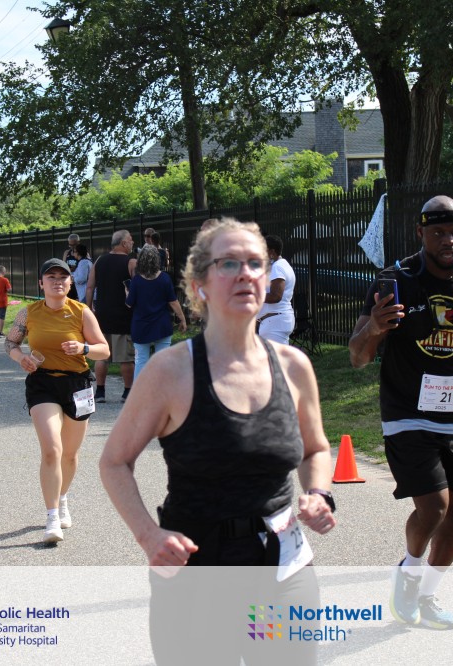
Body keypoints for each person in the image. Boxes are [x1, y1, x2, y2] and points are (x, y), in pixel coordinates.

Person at [99, 218, 336, 664]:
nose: (245, 273)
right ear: (199, 285)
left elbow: (315, 448)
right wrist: (149, 536)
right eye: (228, 263)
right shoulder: (170, 372)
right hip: (197, 572)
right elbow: (114, 461)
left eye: (255, 263)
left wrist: (319, 493)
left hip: (282, 568)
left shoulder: (293, 366)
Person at [349, 195, 453, 630]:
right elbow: (358, 356)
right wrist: (374, 328)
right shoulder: (394, 282)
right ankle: (409, 572)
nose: (449, 240)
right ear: (420, 233)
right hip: (407, 413)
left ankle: (427, 594)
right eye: (438, 232)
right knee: (435, 507)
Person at [4, 259, 109, 543]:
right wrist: (21, 358)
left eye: (63, 277)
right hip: (43, 384)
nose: (57, 281)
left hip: (77, 385)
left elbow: (104, 350)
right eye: (51, 277)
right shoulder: (28, 313)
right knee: (52, 449)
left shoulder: (81, 312)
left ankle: (62, 498)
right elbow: (10, 343)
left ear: (70, 283)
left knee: (70, 455)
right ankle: (52, 517)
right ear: (41, 283)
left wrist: (83, 347)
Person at [85, 230, 137, 403]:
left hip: (102, 314)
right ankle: (128, 392)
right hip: (124, 314)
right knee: (126, 357)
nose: (132, 243)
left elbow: (90, 287)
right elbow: (137, 288)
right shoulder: (131, 262)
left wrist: (88, 309)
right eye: (130, 240)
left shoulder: (99, 260)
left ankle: (100, 392)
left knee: (102, 356)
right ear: (123, 243)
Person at [126, 245, 186, 380]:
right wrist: (182, 319)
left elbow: (129, 304)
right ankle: (163, 390)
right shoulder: (165, 278)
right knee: (163, 360)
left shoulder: (136, 280)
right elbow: (173, 302)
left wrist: (127, 293)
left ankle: (140, 391)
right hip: (161, 325)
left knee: (141, 360)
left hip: (141, 325)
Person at [256, 234, 295, 345]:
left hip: (274, 323)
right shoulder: (282, 265)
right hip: (275, 321)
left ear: (272, 252)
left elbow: (276, 296)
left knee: (276, 356)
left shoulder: (277, 267)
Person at [62, 233, 81, 300]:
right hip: (69, 280)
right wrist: (69, 269)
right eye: (70, 245)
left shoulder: (83, 253)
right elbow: (63, 266)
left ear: (78, 243)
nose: (72, 247)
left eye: (74, 245)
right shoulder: (67, 253)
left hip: (78, 281)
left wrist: (76, 268)